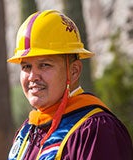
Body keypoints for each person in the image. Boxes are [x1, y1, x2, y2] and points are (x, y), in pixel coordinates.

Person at [7, 10, 133, 160]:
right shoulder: (27, 132)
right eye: (26, 67)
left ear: (74, 71)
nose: (33, 76)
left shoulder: (96, 130)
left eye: (44, 65)